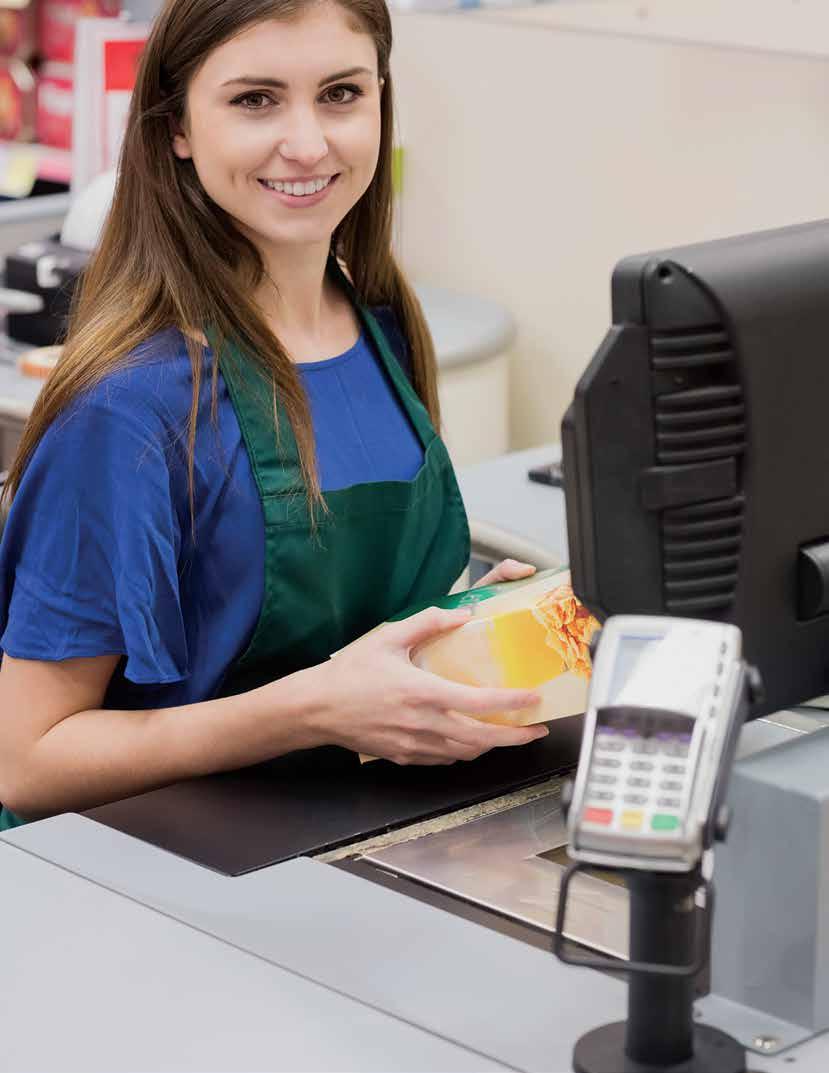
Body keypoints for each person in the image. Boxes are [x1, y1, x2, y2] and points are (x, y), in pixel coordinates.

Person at [0, 0, 547, 829]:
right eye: (255, 99)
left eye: (340, 94)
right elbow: (28, 760)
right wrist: (315, 708)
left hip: (343, 827)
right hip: (156, 877)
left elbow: (343, 632)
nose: (307, 142)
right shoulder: (130, 406)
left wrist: (459, 628)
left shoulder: (379, 322)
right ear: (175, 127)